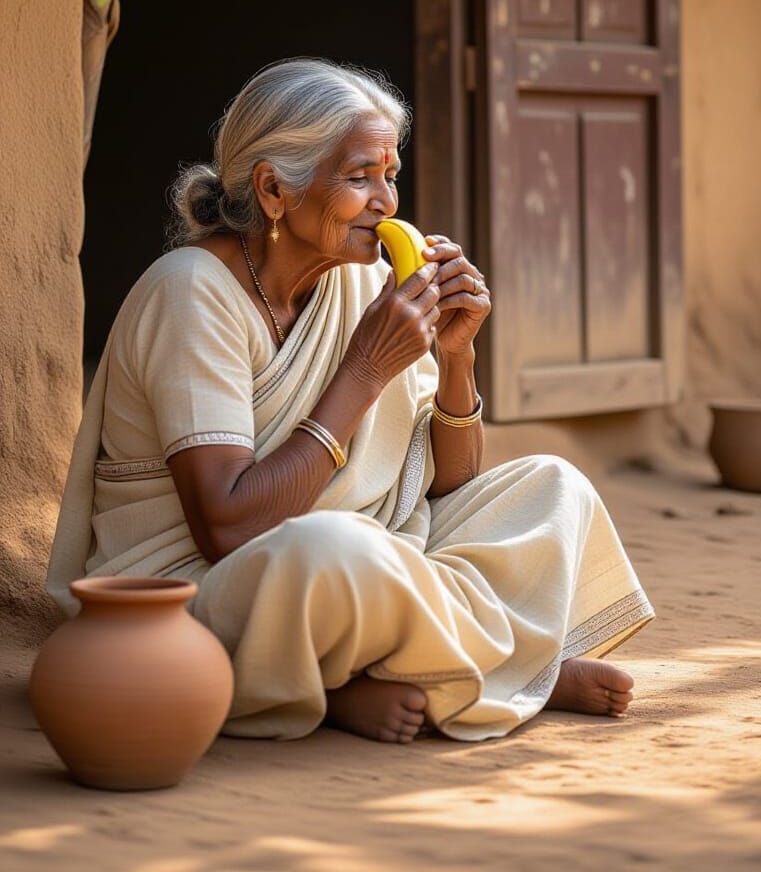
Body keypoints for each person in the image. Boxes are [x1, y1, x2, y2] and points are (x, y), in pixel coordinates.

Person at [47, 58, 653, 744]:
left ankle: (419, 671)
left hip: (362, 559)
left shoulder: (361, 283)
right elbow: (227, 529)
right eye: (359, 177)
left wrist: (456, 356)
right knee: (335, 548)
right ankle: (499, 672)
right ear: (276, 191)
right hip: (200, 587)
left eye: (390, 176)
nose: (387, 202)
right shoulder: (191, 295)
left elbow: (447, 485)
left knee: (552, 487)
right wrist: (363, 372)